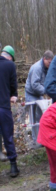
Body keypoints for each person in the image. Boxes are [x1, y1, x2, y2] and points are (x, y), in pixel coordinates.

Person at [0, 45, 19, 177]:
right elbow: (13, 84)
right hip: (3, 106)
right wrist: (14, 94)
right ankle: (13, 165)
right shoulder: (9, 66)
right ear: (10, 57)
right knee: (8, 136)